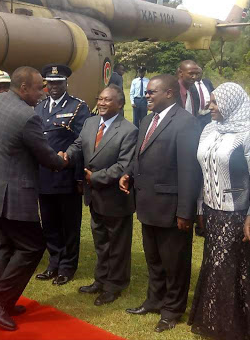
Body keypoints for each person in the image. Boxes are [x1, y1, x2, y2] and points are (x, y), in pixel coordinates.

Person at [0, 66, 67, 331]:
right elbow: (46, 156)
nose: (43, 93)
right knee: (33, 246)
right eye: (39, 88)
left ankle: (5, 299)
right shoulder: (27, 116)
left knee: (7, 246)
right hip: (11, 194)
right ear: (23, 88)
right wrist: (61, 160)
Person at [120, 74, 201, 333]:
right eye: (147, 92)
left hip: (171, 208)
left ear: (169, 93)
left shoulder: (186, 123)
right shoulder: (146, 120)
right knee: (154, 259)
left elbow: (189, 171)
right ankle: (154, 301)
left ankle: (172, 310)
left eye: (153, 92)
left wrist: (185, 212)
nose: (147, 95)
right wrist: (129, 175)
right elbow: (140, 155)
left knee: (175, 263)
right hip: (147, 204)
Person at [188, 82, 250, 340]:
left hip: (237, 213)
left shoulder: (246, 134)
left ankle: (228, 325)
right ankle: (213, 317)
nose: (209, 106)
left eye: (215, 102)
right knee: (215, 262)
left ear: (231, 104)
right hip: (212, 211)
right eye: (210, 102)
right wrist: (201, 207)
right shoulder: (209, 129)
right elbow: (203, 171)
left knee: (228, 264)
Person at [67, 85, 138, 306]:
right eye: (100, 98)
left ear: (120, 104)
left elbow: (124, 166)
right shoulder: (90, 122)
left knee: (117, 244)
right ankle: (100, 280)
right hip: (94, 197)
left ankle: (114, 285)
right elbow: (79, 145)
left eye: (108, 100)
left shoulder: (128, 130)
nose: (102, 103)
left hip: (115, 197)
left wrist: (94, 178)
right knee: (101, 242)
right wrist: (65, 156)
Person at [34, 64, 89, 286]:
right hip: (43, 177)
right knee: (49, 223)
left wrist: (78, 178)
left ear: (66, 83)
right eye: (50, 83)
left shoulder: (78, 107)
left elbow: (82, 142)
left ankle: (67, 266)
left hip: (66, 178)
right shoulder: (39, 107)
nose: (54, 87)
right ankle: (54, 263)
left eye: (58, 83)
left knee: (69, 225)